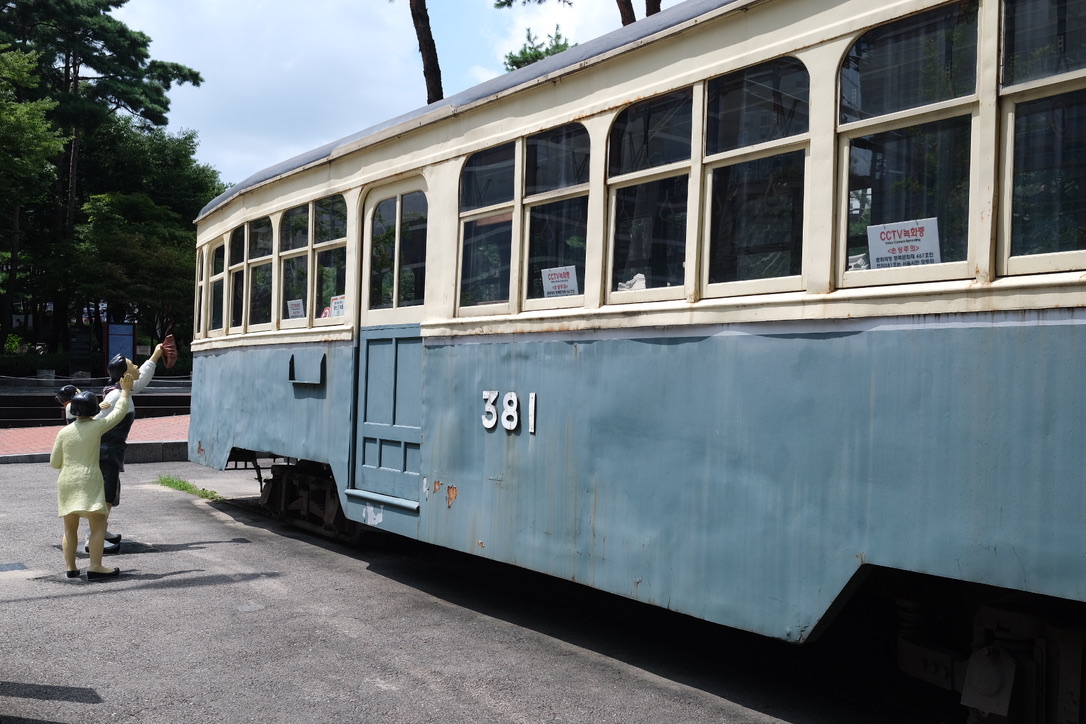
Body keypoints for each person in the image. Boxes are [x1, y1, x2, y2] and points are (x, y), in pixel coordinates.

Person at [51, 374, 134, 580]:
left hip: (67, 481)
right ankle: (95, 566)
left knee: (70, 528)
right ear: (94, 411)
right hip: (89, 479)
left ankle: (71, 567)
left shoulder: (64, 432)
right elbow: (118, 414)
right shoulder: (96, 427)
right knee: (97, 525)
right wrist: (125, 391)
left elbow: (54, 462)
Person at [88, 343, 165, 553]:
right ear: (125, 375)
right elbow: (94, 423)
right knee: (105, 495)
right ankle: (93, 537)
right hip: (105, 452)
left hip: (112, 450)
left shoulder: (123, 390)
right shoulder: (116, 397)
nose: (136, 366)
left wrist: (155, 355)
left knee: (110, 492)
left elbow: (141, 380)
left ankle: (101, 531)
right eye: (133, 365)